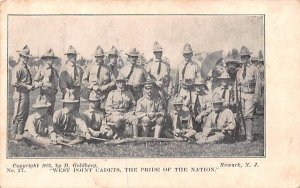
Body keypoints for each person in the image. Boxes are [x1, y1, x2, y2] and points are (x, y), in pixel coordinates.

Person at [236, 46, 261, 142]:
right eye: (242, 57)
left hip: (250, 94)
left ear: (249, 57)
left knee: (248, 115)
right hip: (241, 94)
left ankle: (249, 137)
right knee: (242, 115)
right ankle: (245, 134)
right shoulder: (239, 70)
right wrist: (237, 96)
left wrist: (256, 97)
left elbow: (258, 84)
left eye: (245, 57)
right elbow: (237, 84)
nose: (243, 59)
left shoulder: (254, 69)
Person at [11, 45, 35, 140]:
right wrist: (26, 86)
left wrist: (31, 86)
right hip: (20, 93)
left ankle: (20, 135)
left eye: (27, 57)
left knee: (25, 114)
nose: (26, 59)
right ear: (20, 56)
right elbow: (14, 82)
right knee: (18, 114)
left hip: (26, 94)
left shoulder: (26, 67)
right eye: (24, 57)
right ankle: (14, 135)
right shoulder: (18, 68)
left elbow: (27, 81)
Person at [82, 46, 115, 111]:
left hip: (105, 95)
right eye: (98, 56)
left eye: (101, 56)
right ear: (95, 57)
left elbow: (114, 81)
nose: (100, 58)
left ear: (103, 57)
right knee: (92, 112)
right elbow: (84, 80)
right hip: (93, 95)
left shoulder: (108, 68)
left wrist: (105, 87)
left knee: (103, 113)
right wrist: (92, 86)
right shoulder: (90, 67)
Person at [146, 42, 173, 110]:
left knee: (164, 108)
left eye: (160, 52)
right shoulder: (150, 64)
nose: (158, 54)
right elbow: (147, 78)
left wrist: (170, 91)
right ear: (154, 53)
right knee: (153, 107)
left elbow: (170, 79)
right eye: (156, 52)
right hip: (153, 90)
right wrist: (155, 82)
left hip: (164, 90)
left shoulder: (166, 65)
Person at [33, 49, 59, 116]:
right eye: (50, 59)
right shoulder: (41, 70)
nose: (52, 61)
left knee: (51, 113)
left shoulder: (54, 70)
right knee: (44, 113)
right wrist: (39, 84)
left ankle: (50, 126)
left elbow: (56, 83)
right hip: (45, 95)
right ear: (46, 59)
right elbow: (35, 81)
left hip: (53, 95)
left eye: (53, 59)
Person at [59, 46, 83, 111]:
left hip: (76, 93)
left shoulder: (79, 68)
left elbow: (82, 80)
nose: (74, 57)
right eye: (72, 56)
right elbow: (62, 82)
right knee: (67, 110)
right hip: (67, 93)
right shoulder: (64, 68)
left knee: (76, 111)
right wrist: (67, 91)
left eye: (75, 56)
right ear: (68, 57)